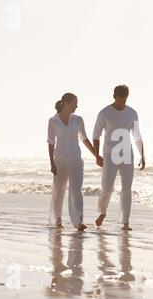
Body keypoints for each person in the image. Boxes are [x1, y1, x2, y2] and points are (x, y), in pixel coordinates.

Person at [47, 92, 103, 231]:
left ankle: (78, 222)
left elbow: (84, 139)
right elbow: (51, 142)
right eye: (74, 103)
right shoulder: (53, 121)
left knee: (76, 191)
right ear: (65, 103)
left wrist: (96, 155)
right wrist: (52, 163)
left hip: (75, 160)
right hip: (59, 160)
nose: (76, 106)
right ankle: (57, 220)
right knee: (58, 191)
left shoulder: (78, 120)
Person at [92, 85, 145, 231]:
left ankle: (125, 222)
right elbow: (96, 135)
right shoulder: (104, 113)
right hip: (110, 154)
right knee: (107, 187)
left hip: (127, 154)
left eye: (124, 100)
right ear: (114, 96)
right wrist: (97, 155)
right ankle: (102, 212)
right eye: (119, 100)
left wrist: (142, 154)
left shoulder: (132, 113)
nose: (121, 103)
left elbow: (137, 135)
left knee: (127, 189)